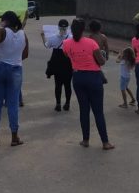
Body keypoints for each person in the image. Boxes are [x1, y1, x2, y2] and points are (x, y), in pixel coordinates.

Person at [63, 19, 114, 150]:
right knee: (98, 111)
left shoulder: (67, 43)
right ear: (83, 29)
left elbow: (68, 56)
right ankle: (105, 142)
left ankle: (85, 140)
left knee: (84, 110)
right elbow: (101, 61)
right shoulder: (91, 43)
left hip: (78, 77)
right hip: (93, 78)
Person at [0, 11, 28, 147]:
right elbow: (26, 54)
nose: (2, 22)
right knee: (13, 104)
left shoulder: (2, 32)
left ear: (7, 21)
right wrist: (15, 59)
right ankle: (14, 137)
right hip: (16, 70)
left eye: (3, 20)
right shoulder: (23, 34)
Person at [40, 19, 72, 112]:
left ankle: (58, 104)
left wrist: (42, 36)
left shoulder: (53, 38)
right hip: (68, 64)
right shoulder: (71, 38)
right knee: (67, 85)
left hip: (57, 64)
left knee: (58, 85)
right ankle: (67, 103)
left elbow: (47, 46)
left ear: (58, 27)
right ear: (67, 28)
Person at [87, 20, 110, 84]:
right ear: (100, 28)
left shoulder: (91, 37)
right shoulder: (103, 37)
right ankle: (101, 77)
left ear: (91, 29)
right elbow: (107, 48)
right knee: (97, 66)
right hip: (101, 55)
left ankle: (101, 77)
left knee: (95, 67)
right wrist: (107, 55)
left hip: (93, 55)